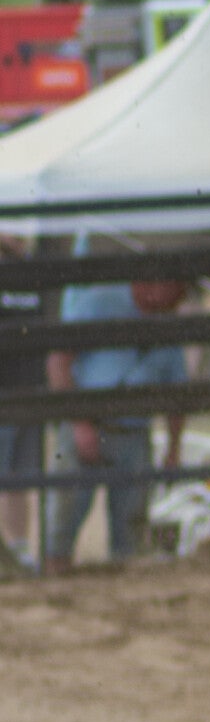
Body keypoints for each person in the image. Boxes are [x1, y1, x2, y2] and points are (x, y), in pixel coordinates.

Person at [46, 268, 188, 571]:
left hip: (133, 432)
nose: (179, 296)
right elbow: (59, 361)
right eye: (173, 286)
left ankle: (119, 580)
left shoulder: (167, 322)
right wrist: (80, 422)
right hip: (88, 425)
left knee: (130, 533)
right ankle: (56, 571)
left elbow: (177, 390)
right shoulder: (99, 303)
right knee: (63, 522)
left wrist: (174, 447)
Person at [0, 233, 46, 570]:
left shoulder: (33, 273)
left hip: (28, 390)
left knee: (21, 475)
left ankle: (18, 546)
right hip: (7, 392)